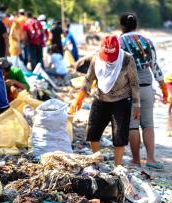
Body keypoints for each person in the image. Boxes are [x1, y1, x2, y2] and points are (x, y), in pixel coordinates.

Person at [71, 35, 140, 166]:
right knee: (92, 133)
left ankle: (117, 167)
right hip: (100, 99)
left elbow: (134, 83)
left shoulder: (127, 59)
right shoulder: (96, 58)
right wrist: (79, 98)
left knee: (119, 137)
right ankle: (98, 161)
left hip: (121, 101)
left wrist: (137, 105)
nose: (108, 61)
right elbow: (88, 79)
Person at [119, 12, 167, 169]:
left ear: (122, 26)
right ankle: (151, 159)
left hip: (130, 90)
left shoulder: (120, 41)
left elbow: (117, 68)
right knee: (148, 124)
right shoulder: (147, 41)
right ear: (136, 25)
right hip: (147, 88)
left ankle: (136, 160)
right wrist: (163, 87)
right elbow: (155, 66)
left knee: (133, 125)